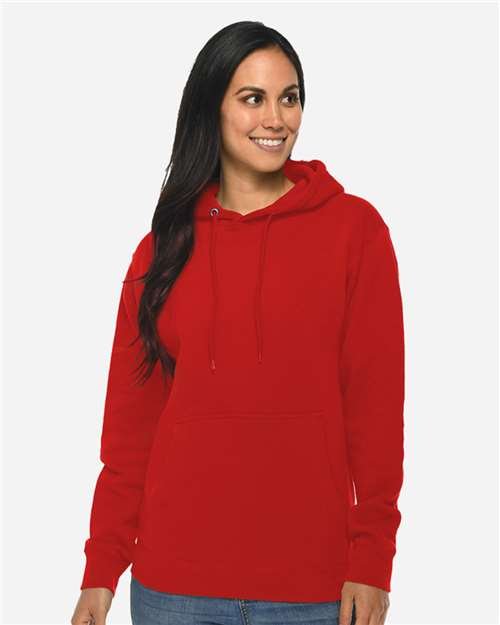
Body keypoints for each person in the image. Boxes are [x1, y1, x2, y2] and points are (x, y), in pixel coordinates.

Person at [71, 20, 405, 625]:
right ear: (212, 108)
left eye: (289, 97)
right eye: (253, 98)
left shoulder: (354, 233)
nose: (276, 119)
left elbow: (376, 411)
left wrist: (372, 559)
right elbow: (130, 433)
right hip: (173, 588)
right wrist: (101, 570)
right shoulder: (162, 250)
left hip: (313, 588)